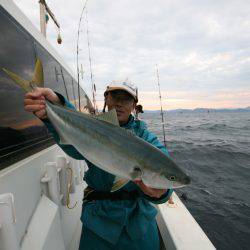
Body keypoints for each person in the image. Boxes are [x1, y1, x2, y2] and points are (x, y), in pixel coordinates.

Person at [24, 81, 173, 250]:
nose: (119, 103)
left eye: (126, 99)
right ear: (106, 100)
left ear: (133, 105)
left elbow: (165, 170)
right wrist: (55, 106)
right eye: (115, 97)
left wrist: (162, 192)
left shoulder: (146, 138)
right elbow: (74, 138)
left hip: (138, 223)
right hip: (98, 221)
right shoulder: (93, 126)